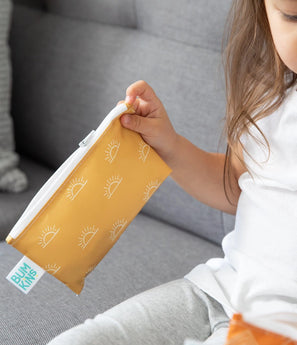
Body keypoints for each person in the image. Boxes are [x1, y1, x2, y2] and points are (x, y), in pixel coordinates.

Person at [48, 0, 297, 344]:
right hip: (218, 291)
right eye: (293, 16)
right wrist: (169, 144)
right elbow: (234, 187)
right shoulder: (270, 96)